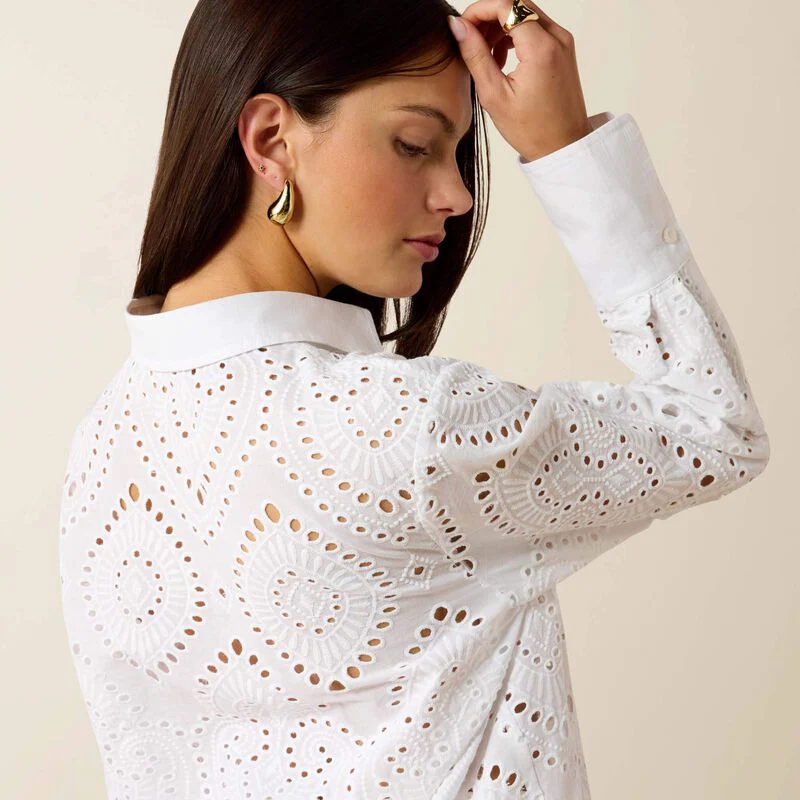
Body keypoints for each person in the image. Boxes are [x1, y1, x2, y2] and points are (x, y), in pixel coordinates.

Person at [57, 1, 770, 798]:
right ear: (271, 140)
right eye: (414, 145)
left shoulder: (101, 449)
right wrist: (564, 147)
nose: (457, 194)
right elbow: (716, 424)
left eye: (458, 153)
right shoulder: (411, 429)